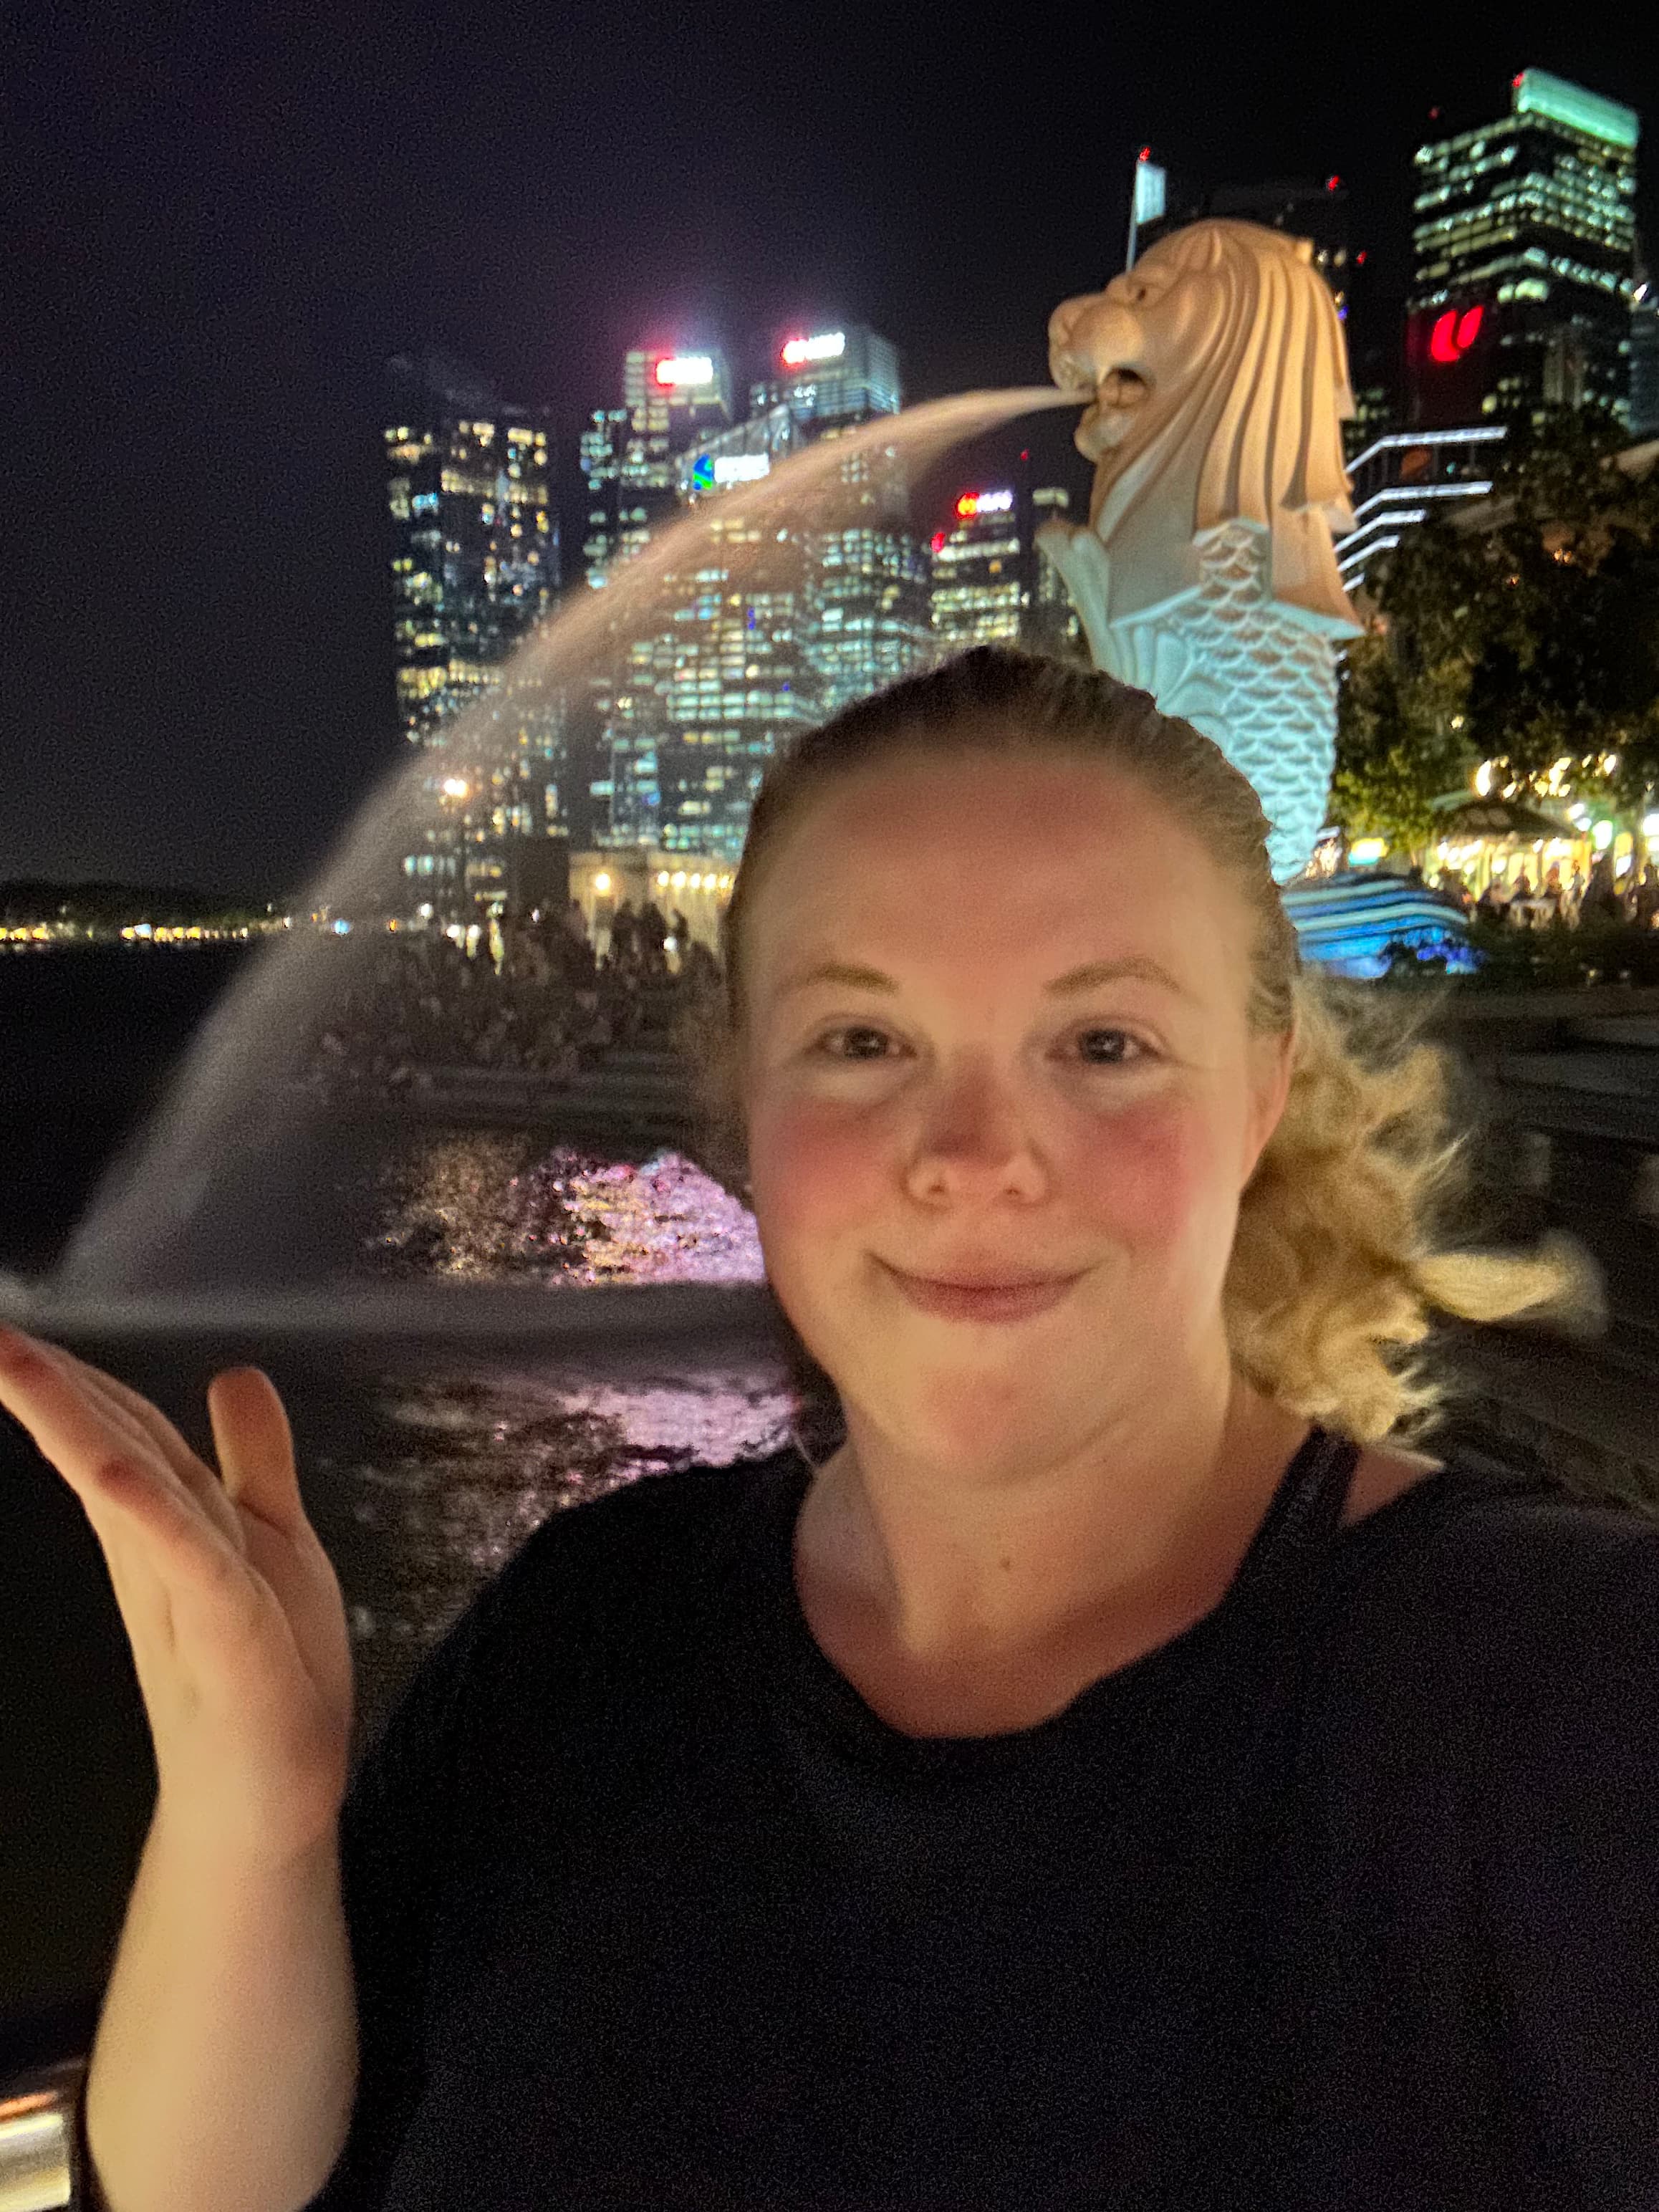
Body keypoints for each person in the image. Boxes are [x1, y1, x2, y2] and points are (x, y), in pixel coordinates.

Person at [4, 646, 1650, 2212]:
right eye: (863, 1040)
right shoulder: (585, 1634)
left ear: (1261, 1091)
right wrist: (251, 1816)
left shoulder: (1565, 1698)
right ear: (748, 1099)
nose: (974, 1153)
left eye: (1105, 1043)